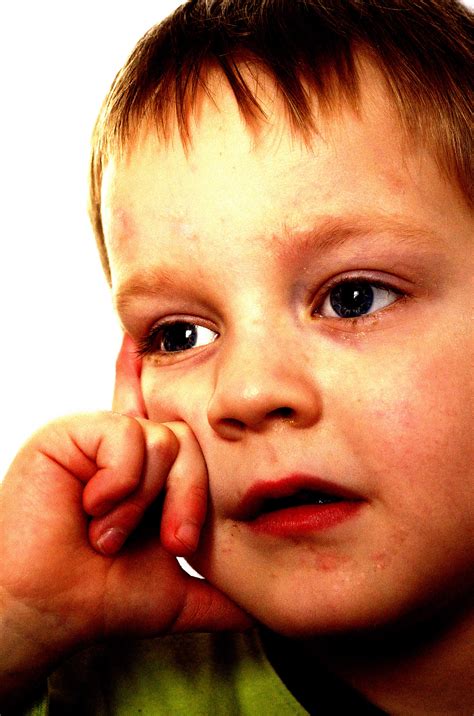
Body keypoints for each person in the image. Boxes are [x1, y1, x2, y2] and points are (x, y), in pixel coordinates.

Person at [1, 0, 473, 713]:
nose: (248, 392)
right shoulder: (83, 684)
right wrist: (14, 619)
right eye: (179, 336)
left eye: (352, 298)